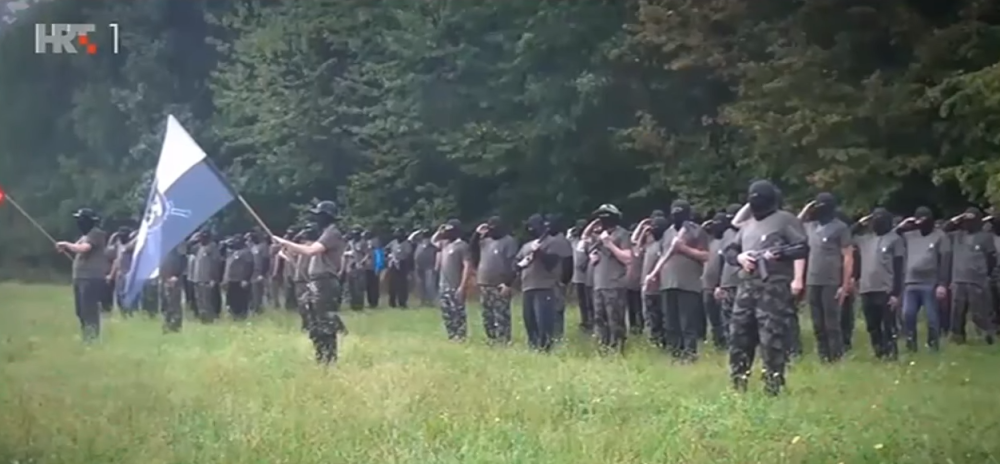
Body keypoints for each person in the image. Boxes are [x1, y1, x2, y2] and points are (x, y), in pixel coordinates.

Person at [723, 180, 809, 395]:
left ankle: (773, 386)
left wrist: (778, 254)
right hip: (746, 288)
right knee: (739, 337)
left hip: (774, 289)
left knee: (771, 339)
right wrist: (741, 257)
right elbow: (729, 251)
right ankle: (738, 384)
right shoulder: (748, 225)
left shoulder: (785, 220)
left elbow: (802, 248)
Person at [272, 201, 348, 365]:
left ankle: (329, 359)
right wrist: (288, 248)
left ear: (327, 217)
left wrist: (285, 242)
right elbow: (305, 253)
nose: (316, 220)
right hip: (316, 282)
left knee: (325, 323)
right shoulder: (324, 234)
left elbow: (310, 251)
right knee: (314, 323)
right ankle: (321, 357)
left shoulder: (332, 233)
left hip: (326, 282)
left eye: (318, 216)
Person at [645, 199, 710, 362]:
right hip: (667, 283)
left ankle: (689, 355)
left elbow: (706, 256)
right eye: (674, 213)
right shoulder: (667, 233)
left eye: (680, 213)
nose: (676, 216)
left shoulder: (697, 231)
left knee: (688, 322)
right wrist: (654, 276)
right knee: (671, 323)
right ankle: (675, 353)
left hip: (689, 284)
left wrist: (684, 249)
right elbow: (662, 257)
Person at [794, 193, 854, 363]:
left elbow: (848, 257)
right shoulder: (810, 226)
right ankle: (823, 357)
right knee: (817, 323)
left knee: (831, 323)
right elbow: (795, 224)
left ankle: (837, 357)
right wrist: (807, 209)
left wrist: (844, 284)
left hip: (831, 281)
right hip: (812, 280)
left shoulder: (840, 227)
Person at [896, 206, 951, 351]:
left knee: (932, 317)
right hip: (910, 282)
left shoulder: (940, 236)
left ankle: (933, 345)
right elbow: (893, 235)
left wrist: (942, 284)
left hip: (930, 282)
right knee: (908, 314)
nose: (921, 223)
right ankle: (911, 344)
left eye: (924, 219)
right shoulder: (909, 235)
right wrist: (903, 225)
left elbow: (945, 261)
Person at [853, 208, 904, 359]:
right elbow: (848, 235)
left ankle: (891, 353)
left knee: (888, 325)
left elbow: (899, 266)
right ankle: (879, 352)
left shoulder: (895, 239)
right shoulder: (865, 239)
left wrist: (896, 293)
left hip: (886, 289)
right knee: (872, 326)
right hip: (867, 288)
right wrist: (859, 223)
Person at [942, 207, 996, 344]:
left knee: (980, 312)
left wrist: (985, 273)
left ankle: (986, 336)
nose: (968, 223)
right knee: (957, 312)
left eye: (972, 219)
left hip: (977, 280)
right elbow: (944, 229)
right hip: (959, 280)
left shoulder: (986, 237)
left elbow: (991, 258)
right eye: (966, 220)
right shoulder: (957, 235)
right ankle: (957, 337)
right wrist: (958, 218)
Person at [56, 208, 108, 342]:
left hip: (91, 278)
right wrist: (67, 247)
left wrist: (66, 244)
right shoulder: (85, 236)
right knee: (80, 311)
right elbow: (77, 246)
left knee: (89, 310)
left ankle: (92, 338)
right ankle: (87, 336)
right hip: (80, 277)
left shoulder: (96, 233)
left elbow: (84, 248)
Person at [585, 204, 632, 353]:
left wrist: (609, 244)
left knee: (615, 319)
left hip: (614, 284)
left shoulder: (622, 234)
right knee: (599, 319)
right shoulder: (598, 236)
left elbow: (628, 258)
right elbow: (585, 240)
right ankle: (603, 349)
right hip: (599, 284)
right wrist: (592, 256)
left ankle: (618, 349)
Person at [516, 214, 562, 351]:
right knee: (529, 320)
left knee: (544, 321)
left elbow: (552, 263)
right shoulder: (526, 246)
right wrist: (521, 263)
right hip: (527, 287)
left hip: (544, 287)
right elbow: (516, 264)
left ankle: (545, 347)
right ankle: (533, 346)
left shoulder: (553, 243)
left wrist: (540, 253)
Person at [471, 216, 518, 345]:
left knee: (501, 313)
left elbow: (513, 265)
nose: (491, 230)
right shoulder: (485, 241)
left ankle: (503, 339)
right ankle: (491, 338)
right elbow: (472, 249)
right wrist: (477, 233)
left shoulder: (509, 241)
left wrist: (508, 283)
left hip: (500, 284)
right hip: (484, 283)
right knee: (487, 314)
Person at [432, 219, 473, 340]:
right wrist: (439, 231)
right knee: (447, 312)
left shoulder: (462, 246)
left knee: (458, 312)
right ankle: (451, 334)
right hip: (443, 285)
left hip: (455, 285)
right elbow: (433, 241)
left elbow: (467, 266)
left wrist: (463, 285)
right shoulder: (445, 244)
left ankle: (460, 336)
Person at [636, 214, 668, 347]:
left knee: (662, 317)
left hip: (660, 286)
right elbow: (637, 248)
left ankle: (664, 341)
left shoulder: (665, 244)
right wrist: (643, 231)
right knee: (649, 316)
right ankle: (653, 341)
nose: (652, 229)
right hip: (647, 286)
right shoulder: (650, 244)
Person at [701, 212, 731, 349]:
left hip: (721, 286)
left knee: (724, 317)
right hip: (707, 286)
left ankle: (727, 343)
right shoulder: (710, 242)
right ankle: (718, 343)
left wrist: (720, 284)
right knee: (713, 319)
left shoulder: (728, 242)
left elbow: (725, 265)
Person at [544, 214, 574, 340]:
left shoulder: (562, 241)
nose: (547, 226)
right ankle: (548, 336)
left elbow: (568, 263)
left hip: (557, 281)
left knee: (557, 311)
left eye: (550, 224)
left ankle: (557, 338)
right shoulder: (546, 239)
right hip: (546, 282)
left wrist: (564, 281)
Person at [568, 220, 594, 333]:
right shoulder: (573, 240)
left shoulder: (589, 240)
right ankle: (585, 321)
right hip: (577, 276)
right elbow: (568, 238)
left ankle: (592, 320)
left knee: (590, 300)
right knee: (582, 301)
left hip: (588, 275)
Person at [190, 230, 221, 322]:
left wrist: (214, 278)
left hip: (207, 279)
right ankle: (203, 318)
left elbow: (216, 264)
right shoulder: (200, 248)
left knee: (207, 301)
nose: (201, 240)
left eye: (203, 238)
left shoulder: (212, 248)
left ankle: (209, 318)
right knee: (199, 300)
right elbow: (188, 248)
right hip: (198, 279)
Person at [222, 236, 253, 320]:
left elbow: (249, 266)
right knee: (232, 300)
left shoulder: (246, 252)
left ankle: (242, 316)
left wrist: (245, 279)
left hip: (240, 280)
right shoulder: (234, 252)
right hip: (232, 280)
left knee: (241, 300)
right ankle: (234, 315)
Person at [160, 243, 187, 332]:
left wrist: (176, 276)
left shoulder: (178, 252)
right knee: (166, 304)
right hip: (165, 281)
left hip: (175, 281)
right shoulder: (164, 253)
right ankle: (167, 324)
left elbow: (183, 264)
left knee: (174, 303)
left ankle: (175, 326)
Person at [386, 227, 413, 308]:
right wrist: (389, 255)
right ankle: (392, 302)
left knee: (402, 285)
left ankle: (402, 302)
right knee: (392, 284)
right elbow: (386, 249)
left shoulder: (406, 243)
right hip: (393, 264)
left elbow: (408, 255)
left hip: (402, 264)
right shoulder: (393, 242)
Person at [344, 225, 367, 310]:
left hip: (359, 267)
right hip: (350, 267)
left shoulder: (363, 243)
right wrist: (349, 253)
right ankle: (352, 305)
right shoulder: (350, 243)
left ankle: (359, 305)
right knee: (351, 287)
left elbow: (367, 254)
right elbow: (344, 253)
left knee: (359, 287)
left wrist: (362, 262)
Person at [247, 231, 270, 313]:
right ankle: (254, 309)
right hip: (253, 273)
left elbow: (266, 260)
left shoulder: (263, 246)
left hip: (259, 273)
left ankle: (259, 310)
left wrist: (262, 273)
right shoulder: (253, 247)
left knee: (258, 293)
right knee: (253, 293)